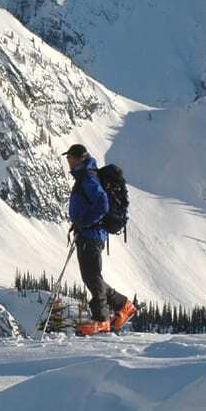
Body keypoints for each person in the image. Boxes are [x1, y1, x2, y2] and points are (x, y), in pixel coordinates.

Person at [64, 143, 137, 335]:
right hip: (90, 233)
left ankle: (101, 319)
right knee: (93, 276)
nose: (68, 161)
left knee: (91, 276)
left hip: (91, 233)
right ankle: (123, 305)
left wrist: (84, 222)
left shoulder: (88, 177)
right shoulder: (86, 175)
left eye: (70, 157)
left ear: (79, 158)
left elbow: (102, 203)